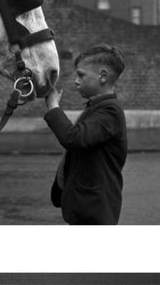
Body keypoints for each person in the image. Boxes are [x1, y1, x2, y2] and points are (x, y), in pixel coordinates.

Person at [44, 44, 127, 225]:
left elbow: (73, 138)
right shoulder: (98, 106)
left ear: (103, 77)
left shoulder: (109, 111)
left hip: (95, 210)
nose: (76, 81)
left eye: (81, 75)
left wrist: (53, 107)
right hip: (85, 206)